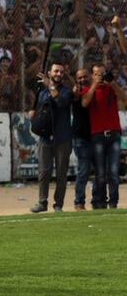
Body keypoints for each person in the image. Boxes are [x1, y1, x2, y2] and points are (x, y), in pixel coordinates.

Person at [29, 62, 73, 213]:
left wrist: (50, 86)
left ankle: (58, 204)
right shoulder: (42, 91)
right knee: (44, 171)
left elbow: (60, 102)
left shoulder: (66, 91)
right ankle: (42, 202)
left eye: (61, 72)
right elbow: (39, 109)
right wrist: (32, 113)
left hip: (62, 137)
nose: (58, 74)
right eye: (56, 71)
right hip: (46, 137)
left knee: (61, 173)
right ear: (50, 73)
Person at [81, 63, 126, 210]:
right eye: (97, 74)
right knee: (100, 173)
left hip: (114, 133)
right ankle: (100, 202)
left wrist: (112, 83)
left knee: (113, 171)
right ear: (92, 75)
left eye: (102, 74)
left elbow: (124, 98)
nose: (100, 77)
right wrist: (95, 85)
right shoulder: (88, 90)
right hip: (98, 135)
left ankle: (113, 203)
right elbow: (85, 103)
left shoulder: (111, 89)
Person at [71, 67, 92, 211]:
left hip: (95, 135)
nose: (83, 79)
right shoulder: (75, 92)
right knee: (84, 170)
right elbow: (77, 97)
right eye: (80, 77)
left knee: (99, 170)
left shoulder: (92, 91)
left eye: (85, 77)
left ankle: (98, 200)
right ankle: (79, 202)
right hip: (80, 137)